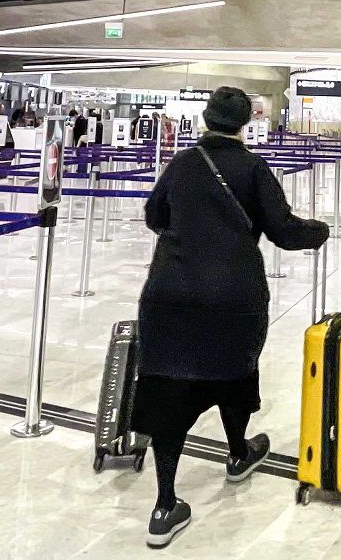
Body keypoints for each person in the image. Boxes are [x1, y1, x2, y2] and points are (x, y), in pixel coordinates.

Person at [134, 86, 329, 548]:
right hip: (231, 296)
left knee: (168, 386)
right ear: (247, 121)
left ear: (205, 117)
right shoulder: (252, 167)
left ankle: (165, 504)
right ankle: (239, 453)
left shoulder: (182, 164)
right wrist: (318, 232)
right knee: (233, 374)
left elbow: (153, 215)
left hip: (168, 293)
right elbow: (283, 230)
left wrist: (189, 238)